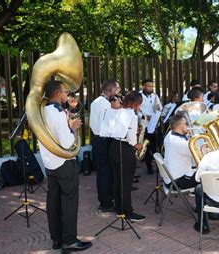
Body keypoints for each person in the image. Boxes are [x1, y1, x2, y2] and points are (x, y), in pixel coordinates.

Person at [39, 80, 91, 251]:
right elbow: (67, 142)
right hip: (63, 162)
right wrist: (73, 128)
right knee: (69, 201)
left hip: (49, 162)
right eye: (65, 92)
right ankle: (69, 240)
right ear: (57, 93)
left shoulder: (42, 110)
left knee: (53, 201)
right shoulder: (57, 112)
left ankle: (57, 239)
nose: (67, 95)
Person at [105, 91, 146, 221]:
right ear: (135, 103)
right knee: (126, 181)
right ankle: (127, 211)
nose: (140, 106)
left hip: (114, 147)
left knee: (117, 179)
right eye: (139, 104)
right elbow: (131, 139)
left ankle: (119, 208)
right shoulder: (132, 115)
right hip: (125, 149)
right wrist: (138, 145)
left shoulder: (117, 111)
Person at [90, 80, 117, 213]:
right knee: (106, 173)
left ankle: (104, 200)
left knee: (102, 172)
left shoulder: (95, 102)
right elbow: (111, 124)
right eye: (116, 90)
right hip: (104, 140)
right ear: (109, 90)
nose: (117, 92)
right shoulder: (107, 104)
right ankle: (106, 202)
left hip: (97, 139)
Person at [162, 114, 197, 189]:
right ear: (180, 125)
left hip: (171, 177)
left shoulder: (169, 134)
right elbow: (198, 155)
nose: (188, 125)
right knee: (207, 179)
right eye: (186, 123)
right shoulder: (179, 142)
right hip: (178, 180)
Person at [139, 79, 163, 175]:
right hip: (144, 124)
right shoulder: (139, 95)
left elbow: (160, 107)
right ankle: (149, 167)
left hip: (154, 125)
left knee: (155, 148)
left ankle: (158, 167)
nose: (150, 88)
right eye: (148, 86)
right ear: (143, 86)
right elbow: (136, 109)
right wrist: (144, 116)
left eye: (151, 86)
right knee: (146, 147)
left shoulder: (155, 96)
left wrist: (157, 109)